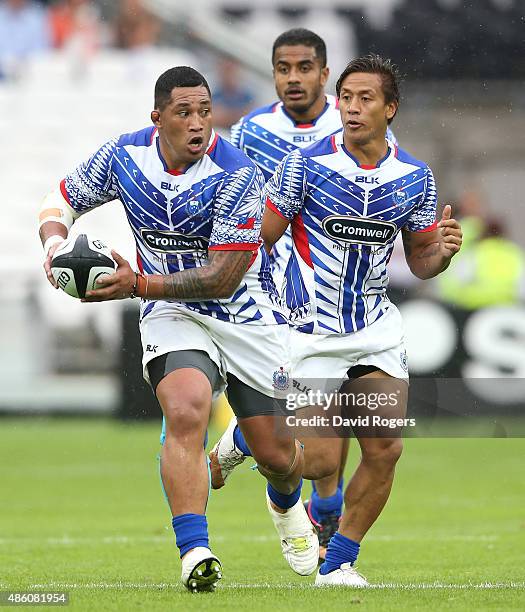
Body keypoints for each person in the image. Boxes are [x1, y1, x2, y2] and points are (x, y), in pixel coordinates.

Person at [38, 66, 319, 592]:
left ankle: (282, 500)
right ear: (158, 117)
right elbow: (59, 200)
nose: (198, 124)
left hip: (246, 311)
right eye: (185, 113)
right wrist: (55, 247)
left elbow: (222, 276)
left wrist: (136, 284)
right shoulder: (124, 155)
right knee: (186, 407)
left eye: (206, 112)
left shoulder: (236, 171)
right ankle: (195, 551)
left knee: (279, 456)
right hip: (172, 310)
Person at [215, 54, 463, 586]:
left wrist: (441, 253)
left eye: (365, 98)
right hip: (309, 331)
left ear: (390, 108)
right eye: (346, 97)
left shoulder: (415, 177)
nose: (351, 108)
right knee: (321, 462)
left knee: (386, 448)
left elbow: (420, 262)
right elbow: (261, 236)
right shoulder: (306, 165)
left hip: (374, 329)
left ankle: (339, 562)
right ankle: (248, 439)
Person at [211, 28, 398, 559]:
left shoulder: (355, 128)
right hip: (275, 292)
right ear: (273, 74)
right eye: (282, 69)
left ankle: (291, 487)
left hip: (345, 295)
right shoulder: (250, 132)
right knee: (316, 431)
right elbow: (233, 202)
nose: (293, 78)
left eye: (304, 68)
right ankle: (310, 505)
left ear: (323, 73)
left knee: (338, 423)